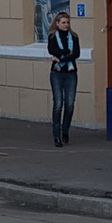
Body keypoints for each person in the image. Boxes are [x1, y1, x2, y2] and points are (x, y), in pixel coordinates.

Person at [47, 11, 80, 147]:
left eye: (67, 23)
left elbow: (76, 53)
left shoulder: (73, 36)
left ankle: (65, 130)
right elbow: (52, 50)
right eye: (63, 23)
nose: (66, 25)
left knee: (70, 104)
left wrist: (62, 57)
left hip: (71, 72)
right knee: (58, 103)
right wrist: (66, 54)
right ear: (57, 23)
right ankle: (56, 134)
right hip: (57, 72)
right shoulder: (53, 36)